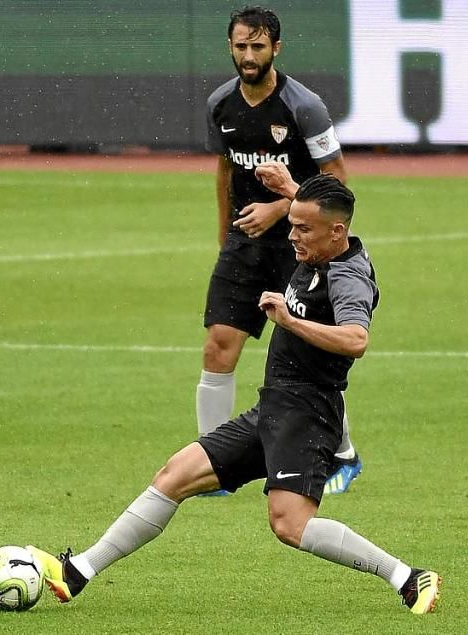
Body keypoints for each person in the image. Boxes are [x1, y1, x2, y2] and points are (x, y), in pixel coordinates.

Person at [28, 174, 442, 615]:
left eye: (303, 229)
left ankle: (408, 577)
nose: (293, 236)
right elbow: (318, 211)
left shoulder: (348, 278)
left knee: (289, 526)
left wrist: (289, 320)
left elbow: (356, 340)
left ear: (336, 232)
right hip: (274, 406)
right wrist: (292, 189)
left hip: (307, 414)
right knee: (174, 475)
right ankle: (77, 573)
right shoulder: (328, 239)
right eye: (293, 225)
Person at [198, 5, 361, 495]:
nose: (248, 56)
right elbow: (226, 170)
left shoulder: (303, 107)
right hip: (244, 245)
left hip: (299, 243)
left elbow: (336, 182)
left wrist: (281, 204)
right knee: (218, 345)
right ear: (230, 47)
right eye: (240, 46)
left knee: (305, 356)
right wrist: (225, 235)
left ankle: (343, 451)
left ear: (276, 49)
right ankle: (211, 462)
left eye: (258, 47)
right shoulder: (220, 104)